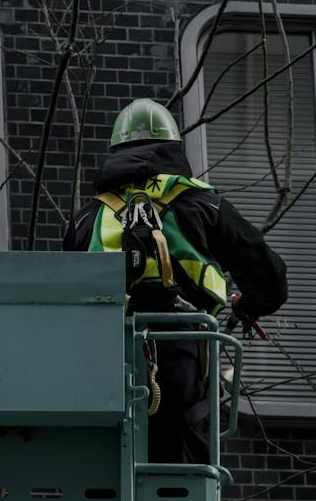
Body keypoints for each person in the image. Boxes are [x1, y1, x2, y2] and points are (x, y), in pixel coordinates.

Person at [63, 97, 287, 463]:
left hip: (104, 359)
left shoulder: (86, 217)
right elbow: (269, 277)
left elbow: (63, 300)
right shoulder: (200, 201)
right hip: (184, 350)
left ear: (116, 152)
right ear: (173, 149)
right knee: (182, 465)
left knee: (108, 465)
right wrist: (249, 306)